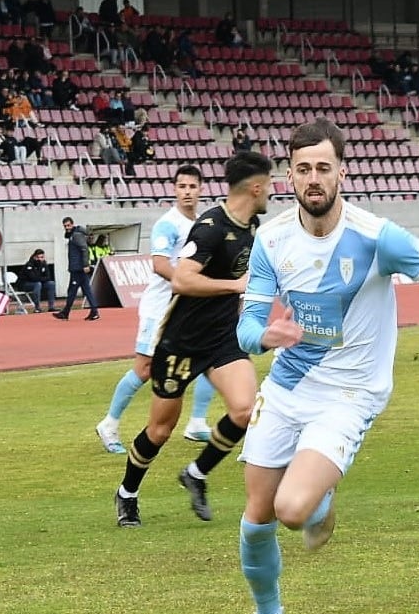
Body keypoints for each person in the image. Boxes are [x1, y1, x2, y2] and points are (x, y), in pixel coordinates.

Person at [215, 119, 419, 614]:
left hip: (350, 393)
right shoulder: (269, 240)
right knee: (255, 519)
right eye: (303, 169)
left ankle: (320, 499)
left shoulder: (375, 237)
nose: (313, 179)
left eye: (323, 168)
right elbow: (245, 329)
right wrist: (266, 335)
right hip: (289, 389)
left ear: (342, 171)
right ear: (289, 175)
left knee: (293, 509)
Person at [113, 150, 274, 529]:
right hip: (181, 341)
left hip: (222, 339)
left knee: (246, 410)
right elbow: (183, 279)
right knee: (161, 430)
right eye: (269, 185)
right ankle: (127, 494)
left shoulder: (252, 228)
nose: (272, 192)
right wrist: (234, 286)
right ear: (255, 187)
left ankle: (197, 474)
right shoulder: (211, 226)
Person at [95, 164, 218, 455]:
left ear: (201, 189)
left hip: (187, 309)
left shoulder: (203, 224)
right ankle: (109, 424)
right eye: (182, 187)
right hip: (160, 310)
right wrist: (192, 283)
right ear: (175, 190)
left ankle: (198, 421)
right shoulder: (168, 224)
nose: (187, 192)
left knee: (210, 358)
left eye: (192, 187)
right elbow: (160, 264)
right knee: (145, 368)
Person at [54, 217, 100, 321]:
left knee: (72, 291)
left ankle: (66, 312)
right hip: (77, 268)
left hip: (78, 268)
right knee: (86, 290)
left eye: (68, 225)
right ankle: (94, 311)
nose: (67, 228)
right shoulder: (74, 235)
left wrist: (85, 265)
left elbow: (84, 250)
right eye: (65, 226)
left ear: (72, 224)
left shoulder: (76, 235)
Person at [18, 248, 57, 312]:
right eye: (38, 257)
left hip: (38, 283)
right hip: (25, 284)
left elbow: (48, 277)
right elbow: (33, 278)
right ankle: (37, 307)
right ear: (34, 257)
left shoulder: (44, 264)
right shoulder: (30, 264)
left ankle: (51, 307)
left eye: (42, 257)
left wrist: (41, 279)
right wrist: (42, 279)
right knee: (37, 284)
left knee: (51, 284)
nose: (40, 259)